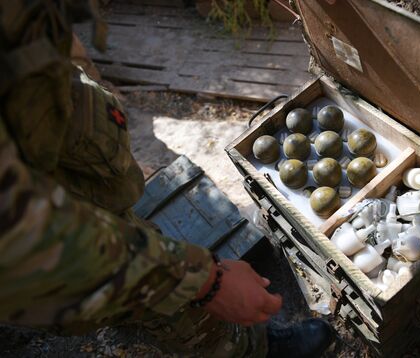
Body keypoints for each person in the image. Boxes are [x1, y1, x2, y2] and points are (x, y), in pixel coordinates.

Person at [0, 1, 334, 356]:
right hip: (57, 246)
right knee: (164, 300)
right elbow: (26, 236)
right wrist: (206, 282)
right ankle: (243, 349)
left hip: (76, 193)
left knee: (137, 258)